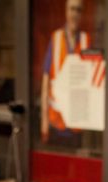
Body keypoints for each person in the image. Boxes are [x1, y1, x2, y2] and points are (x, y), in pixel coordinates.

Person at [40, 0, 89, 142]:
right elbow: (45, 82)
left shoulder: (86, 40)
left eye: (78, 10)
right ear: (66, 11)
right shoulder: (56, 39)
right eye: (72, 9)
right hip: (56, 122)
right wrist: (44, 122)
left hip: (77, 123)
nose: (74, 14)